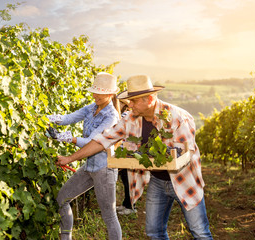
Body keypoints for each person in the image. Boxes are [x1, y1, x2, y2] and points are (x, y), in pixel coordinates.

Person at [56, 75, 213, 239]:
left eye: (133, 101)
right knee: (154, 232)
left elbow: (184, 155)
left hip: (184, 180)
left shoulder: (178, 117)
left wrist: (148, 157)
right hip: (158, 181)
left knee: (200, 232)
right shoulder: (131, 119)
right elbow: (102, 140)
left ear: (150, 99)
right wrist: (69, 159)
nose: (129, 105)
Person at [46, 72, 122, 240]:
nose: (95, 95)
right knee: (62, 199)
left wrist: (65, 138)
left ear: (110, 94)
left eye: (99, 93)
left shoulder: (111, 117)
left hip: (104, 170)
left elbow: (91, 142)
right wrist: (47, 119)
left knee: (109, 215)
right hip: (88, 167)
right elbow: (68, 118)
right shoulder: (91, 107)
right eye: (94, 91)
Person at [116, 99, 137, 215]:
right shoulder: (126, 114)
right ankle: (126, 204)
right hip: (125, 153)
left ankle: (131, 207)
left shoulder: (125, 114)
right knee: (126, 179)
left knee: (128, 180)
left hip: (126, 154)